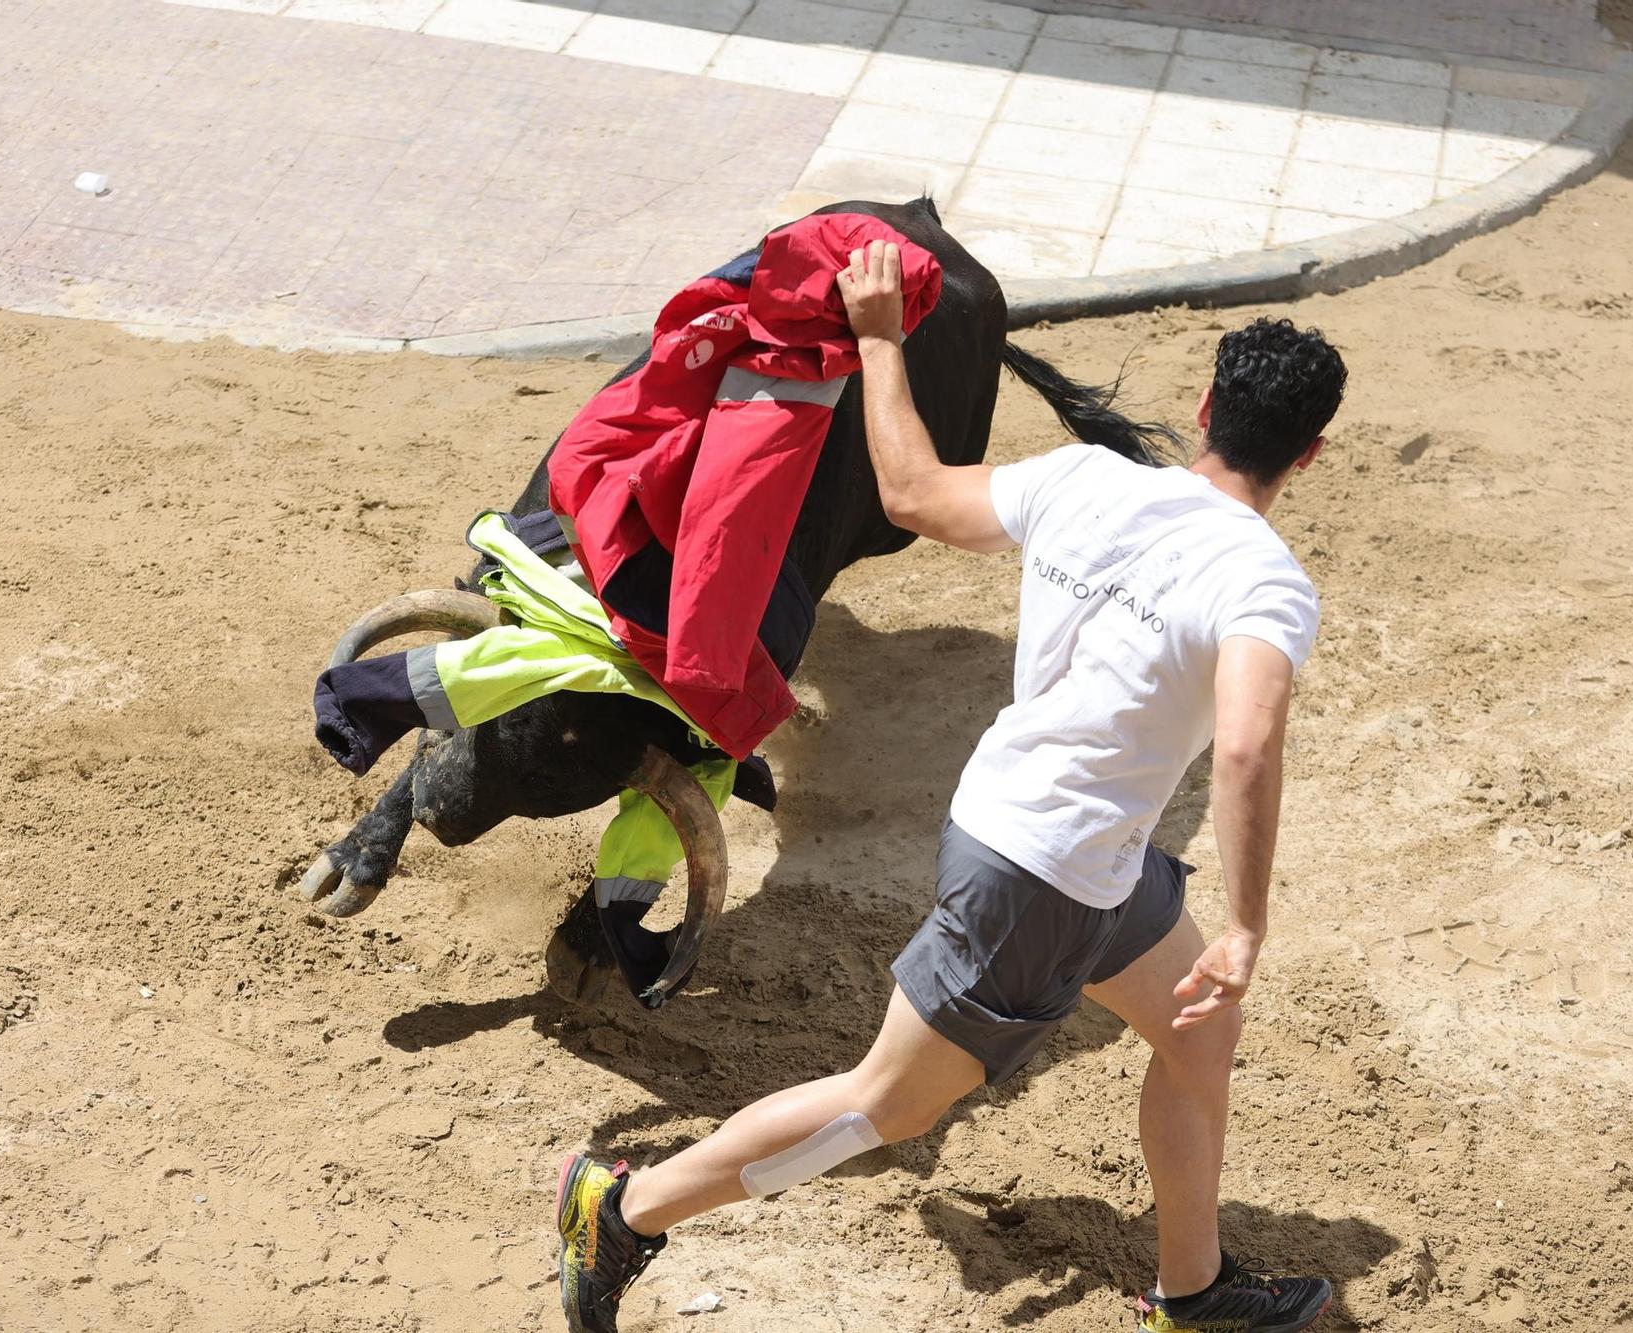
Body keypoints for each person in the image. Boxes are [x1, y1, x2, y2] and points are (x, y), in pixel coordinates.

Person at [554, 240, 1347, 1333]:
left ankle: (1194, 1287)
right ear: (1307, 456)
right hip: (1042, 872)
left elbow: (914, 491)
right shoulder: (1262, 579)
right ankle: (626, 1207)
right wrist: (1249, 924)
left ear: (1205, 404)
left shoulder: (1087, 480)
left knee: (1197, 1031)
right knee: (885, 1106)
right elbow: (1249, 749)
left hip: (1066, 848)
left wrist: (879, 340)